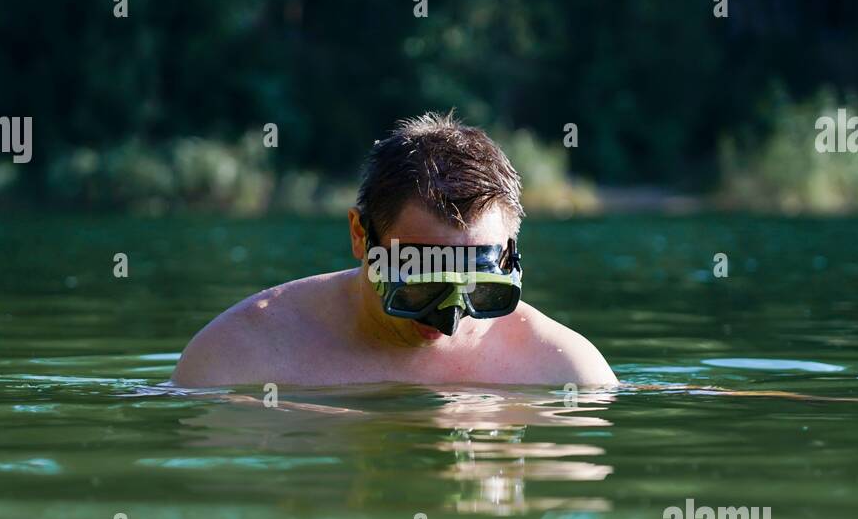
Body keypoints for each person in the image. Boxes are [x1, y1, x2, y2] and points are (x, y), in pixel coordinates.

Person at [171, 112, 617, 388]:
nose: (448, 321)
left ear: (508, 259)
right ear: (361, 237)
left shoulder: (565, 370)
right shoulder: (238, 356)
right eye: (420, 285)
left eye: (481, 290)